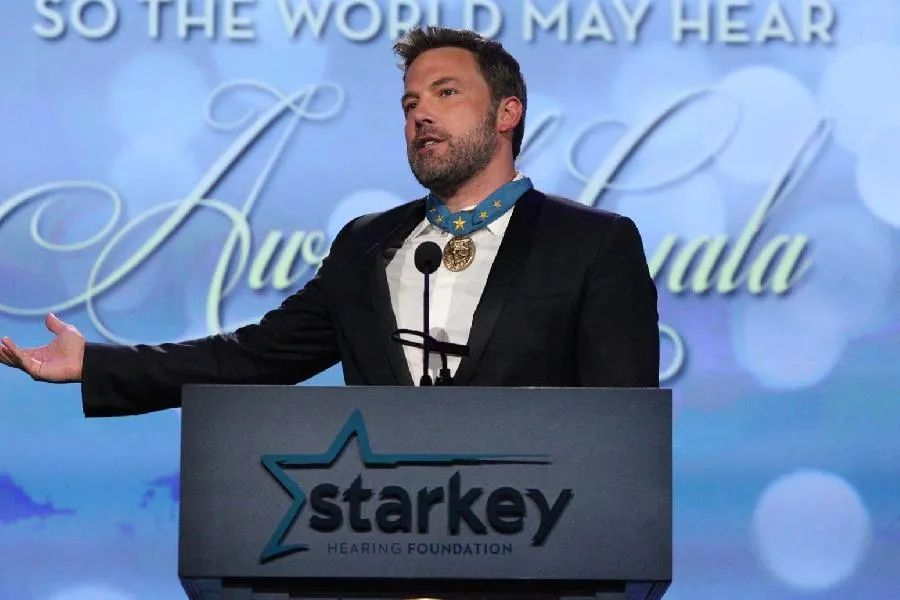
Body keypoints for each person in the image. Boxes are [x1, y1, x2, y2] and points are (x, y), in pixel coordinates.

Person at [0, 26, 660, 418]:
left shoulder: (593, 245)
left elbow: (622, 427)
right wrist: (96, 364)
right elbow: (252, 359)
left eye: (446, 93)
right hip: (381, 550)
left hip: (537, 563)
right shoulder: (368, 246)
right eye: (409, 102)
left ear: (507, 113)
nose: (421, 114)